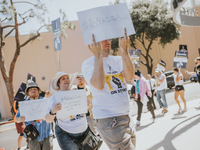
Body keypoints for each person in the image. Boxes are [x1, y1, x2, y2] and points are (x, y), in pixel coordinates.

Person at [82, 28, 136, 149]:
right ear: (92, 44)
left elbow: (129, 76)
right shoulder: (88, 63)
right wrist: (98, 55)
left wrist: (124, 49)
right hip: (109, 120)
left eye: (109, 38)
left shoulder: (117, 59)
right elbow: (99, 84)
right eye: (103, 39)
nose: (108, 41)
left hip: (126, 117)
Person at [45, 72, 88, 150]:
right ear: (58, 83)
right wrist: (52, 111)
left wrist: (86, 105)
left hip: (84, 132)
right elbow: (48, 120)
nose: (66, 80)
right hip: (66, 134)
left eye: (67, 78)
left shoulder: (77, 92)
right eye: (63, 79)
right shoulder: (54, 97)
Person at [15, 82, 53, 150]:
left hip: (47, 134)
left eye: (35, 89)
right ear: (27, 92)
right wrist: (19, 119)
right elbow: (16, 118)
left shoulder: (45, 101)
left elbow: (52, 112)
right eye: (31, 89)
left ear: (38, 91)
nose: (33, 90)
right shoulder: (24, 105)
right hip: (33, 137)